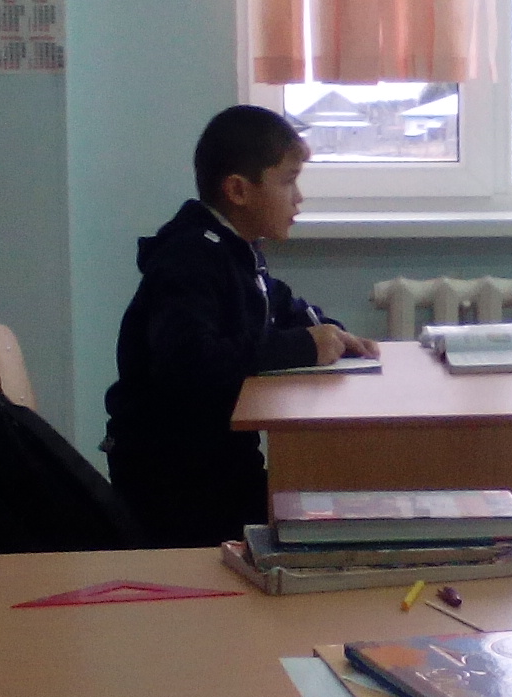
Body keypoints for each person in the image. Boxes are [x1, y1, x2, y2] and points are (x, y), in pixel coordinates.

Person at [102, 104, 377, 546]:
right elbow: (191, 362)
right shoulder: (190, 259)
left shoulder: (237, 250)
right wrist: (305, 346)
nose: (299, 197)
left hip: (216, 460)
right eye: (287, 181)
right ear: (238, 190)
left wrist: (331, 332)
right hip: (174, 477)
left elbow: (279, 304)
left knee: (305, 510)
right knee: (305, 523)